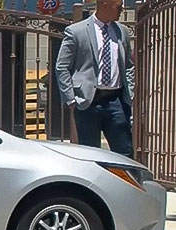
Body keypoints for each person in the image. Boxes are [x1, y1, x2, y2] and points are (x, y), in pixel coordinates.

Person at [55, 0, 135, 158]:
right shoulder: (76, 31)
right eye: (119, 6)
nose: (122, 9)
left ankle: (126, 182)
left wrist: (130, 93)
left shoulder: (122, 31)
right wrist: (71, 99)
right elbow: (62, 67)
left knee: (125, 153)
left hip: (116, 101)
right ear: (105, 5)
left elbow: (128, 66)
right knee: (91, 156)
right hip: (88, 102)